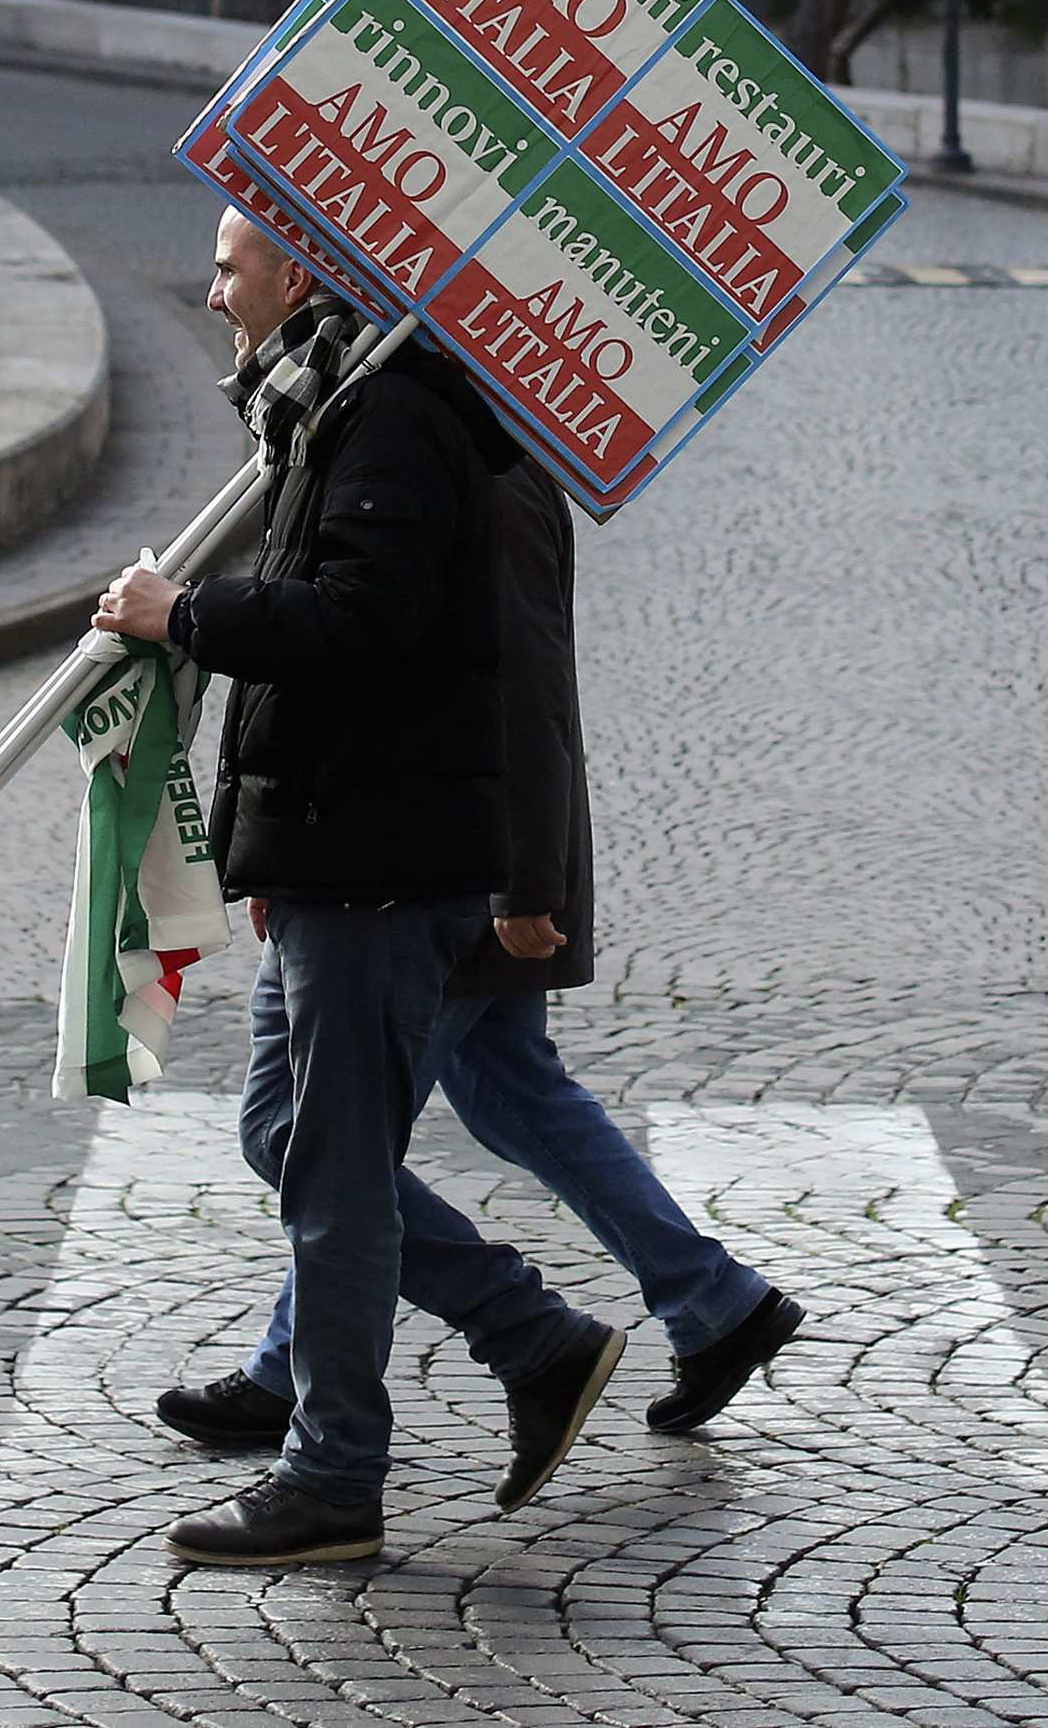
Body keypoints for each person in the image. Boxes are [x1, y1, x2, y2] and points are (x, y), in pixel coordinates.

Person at [94, 212, 623, 1568]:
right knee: (293, 1143)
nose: (213, 294)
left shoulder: (385, 416)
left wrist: (186, 614)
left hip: (379, 868)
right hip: (336, 856)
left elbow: (358, 627)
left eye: (229, 266)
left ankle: (335, 1478)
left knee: (332, 1182)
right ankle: (534, 1338)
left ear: (307, 272)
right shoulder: (328, 411)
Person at [153, 452, 805, 1458]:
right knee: (507, 1093)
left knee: (322, 1137)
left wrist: (523, 884)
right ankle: (717, 1302)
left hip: (460, 866)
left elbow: (526, 679)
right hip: (466, 854)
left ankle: (429, 1352)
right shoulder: (443, 446)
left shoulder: (473, 470)